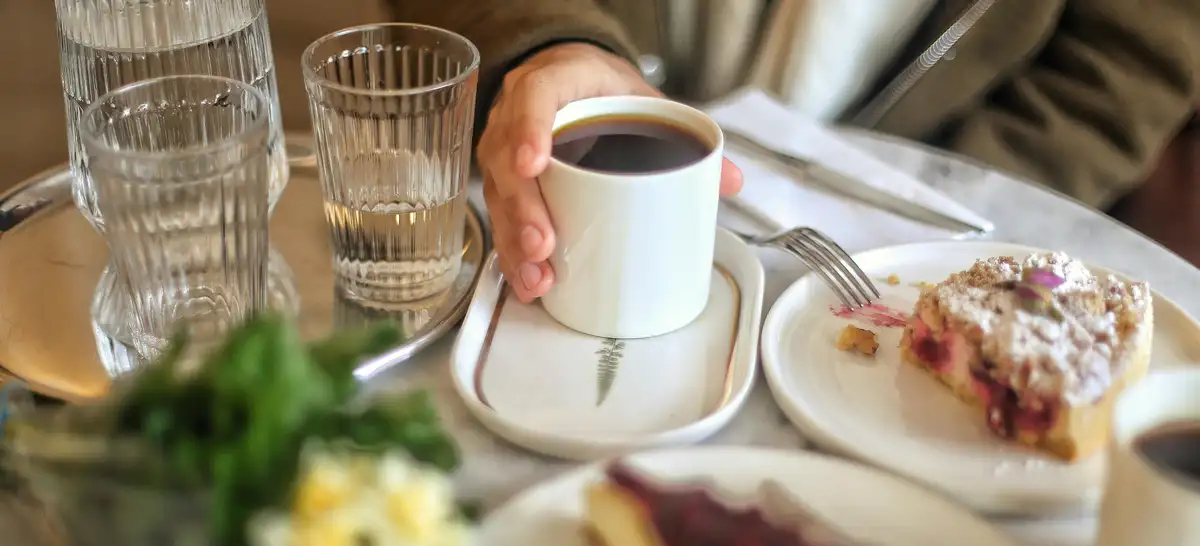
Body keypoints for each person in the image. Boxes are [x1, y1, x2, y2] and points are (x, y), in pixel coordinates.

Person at [388, 0, 1200, 303]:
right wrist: (554, 44)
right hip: (581, 189)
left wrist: (953, 214)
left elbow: (1128, 53)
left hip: (913, 222)